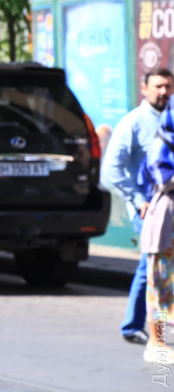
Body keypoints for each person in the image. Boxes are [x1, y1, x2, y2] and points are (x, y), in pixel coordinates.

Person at [102, 67, 174, 345]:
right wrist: (137, 199)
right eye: (158, 86)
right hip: (149, 210)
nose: (163, 92)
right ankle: (135, 326)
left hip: (169, 207)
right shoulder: (133, 122)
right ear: (145, 89)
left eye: (168, 86)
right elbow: (112, 167)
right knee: (152, 268)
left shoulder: (169, 120)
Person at [141, 102, 174, 363]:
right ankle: (156, 342)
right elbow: (162, 179)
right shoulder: (162, 143)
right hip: (166, 218)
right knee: (162, 283)